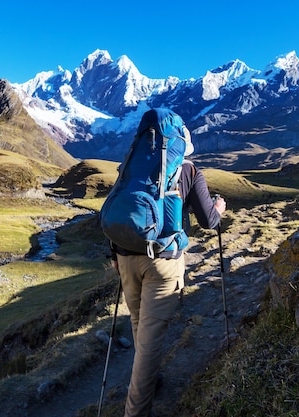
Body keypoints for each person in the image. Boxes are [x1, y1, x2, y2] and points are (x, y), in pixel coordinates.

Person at [110, 114, 226, 417]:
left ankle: (150, 381)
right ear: (182, 143)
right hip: (162, 262)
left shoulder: (132, 166)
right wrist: (219, 207)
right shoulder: (188, 170)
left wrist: (114, 256)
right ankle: (136, 411)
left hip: (125, 255)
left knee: (138, 324)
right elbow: (208, 221)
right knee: (150, 345)